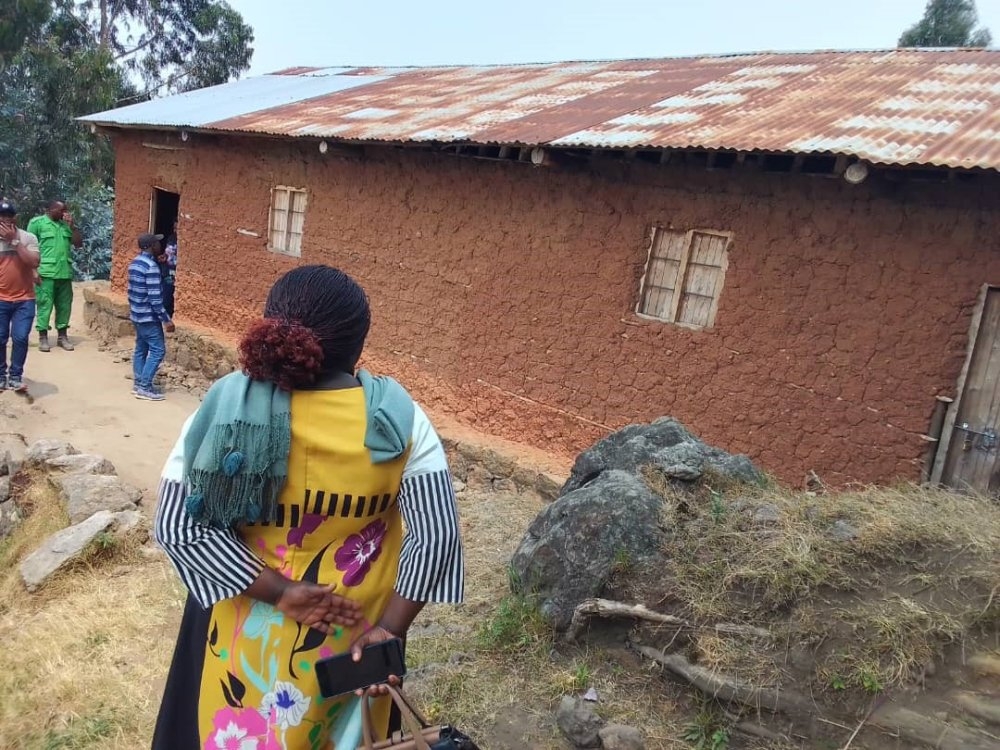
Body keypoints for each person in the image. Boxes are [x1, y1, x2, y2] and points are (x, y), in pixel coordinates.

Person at [152, 265, 465, 749]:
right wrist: (390, 631)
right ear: (357, 346)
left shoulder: (225, 408)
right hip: (352, 649)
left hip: (242, 635)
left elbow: (177, 525)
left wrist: (280, 592)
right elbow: (436, 534)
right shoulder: (400, 420)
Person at [27, 200, 82, 352]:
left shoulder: (66, 225)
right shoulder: (37, 223)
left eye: (66, 210)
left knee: (65, 306)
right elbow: (29, 247)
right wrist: (33, 270)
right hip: (46, 273)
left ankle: (62, 336)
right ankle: (43, 337)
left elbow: (78, 244)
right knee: (45, 305)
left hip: (64, 273)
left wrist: (73, 226)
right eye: (61, 210)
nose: (64, 213)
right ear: (50, 210)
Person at [127, 233, 175, 401]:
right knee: (157, 350)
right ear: (151, 246)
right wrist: (166, 319)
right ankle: (145, 386)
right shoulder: (151, 267)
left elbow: (132, 291)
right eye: (157, 243)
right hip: (149, 317)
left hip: (137, 315)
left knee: (141, 349)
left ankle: (139, 382)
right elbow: (155, 299)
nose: (159, 246)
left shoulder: (135, 263)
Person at [0, 200, 41, 392]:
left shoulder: (28, 237)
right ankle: (1, 376)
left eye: (8, 218)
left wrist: (14, 243)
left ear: (14, 219)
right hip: (1, 299)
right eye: (1, 218)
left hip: (24, 299)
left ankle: (16, 376)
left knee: (21, 337)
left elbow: (33, 262)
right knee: (0, 338)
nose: (4, 221)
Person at [162, 221, 178, 318]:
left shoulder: (183, 241)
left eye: (177, 228)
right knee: (166, 294)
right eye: (174, 228)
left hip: (177, 273)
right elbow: (168, 253)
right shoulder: (171, 238)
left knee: (173, 296)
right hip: (168, 271)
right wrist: (164, 257)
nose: (175, 230)